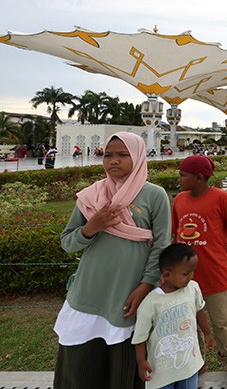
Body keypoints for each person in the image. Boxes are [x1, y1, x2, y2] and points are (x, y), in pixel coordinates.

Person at [53, 132, 171, 389]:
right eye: (108, 154)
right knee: (81, 365)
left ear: (138, 157)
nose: (113, 161)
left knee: (123, 366)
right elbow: (67, 242)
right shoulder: (91, 196)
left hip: (127, 294)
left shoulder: (154, 195)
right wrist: (91, 227)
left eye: (122, 154)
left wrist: (145, 285)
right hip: (89, 292)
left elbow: (162, 245)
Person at [172, 154, 227, 386]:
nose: (179, 179)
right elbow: (175, 234)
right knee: (187, 320)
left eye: (183, 175)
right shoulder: (179, 200)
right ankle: (197, 362)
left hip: (214, 271)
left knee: (221, 320)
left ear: (198, 178)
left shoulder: (221, 198)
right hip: (184, 275)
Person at [133, 243, 214, 389]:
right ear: (166, 274)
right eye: (185, 273)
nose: (191, 276)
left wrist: (207, 333)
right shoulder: (150, 303)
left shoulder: (193, 288)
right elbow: (140, 337)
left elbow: (199, 310)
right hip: (162, 372)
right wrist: (141, 361)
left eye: (193, 271)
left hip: (189, 365)